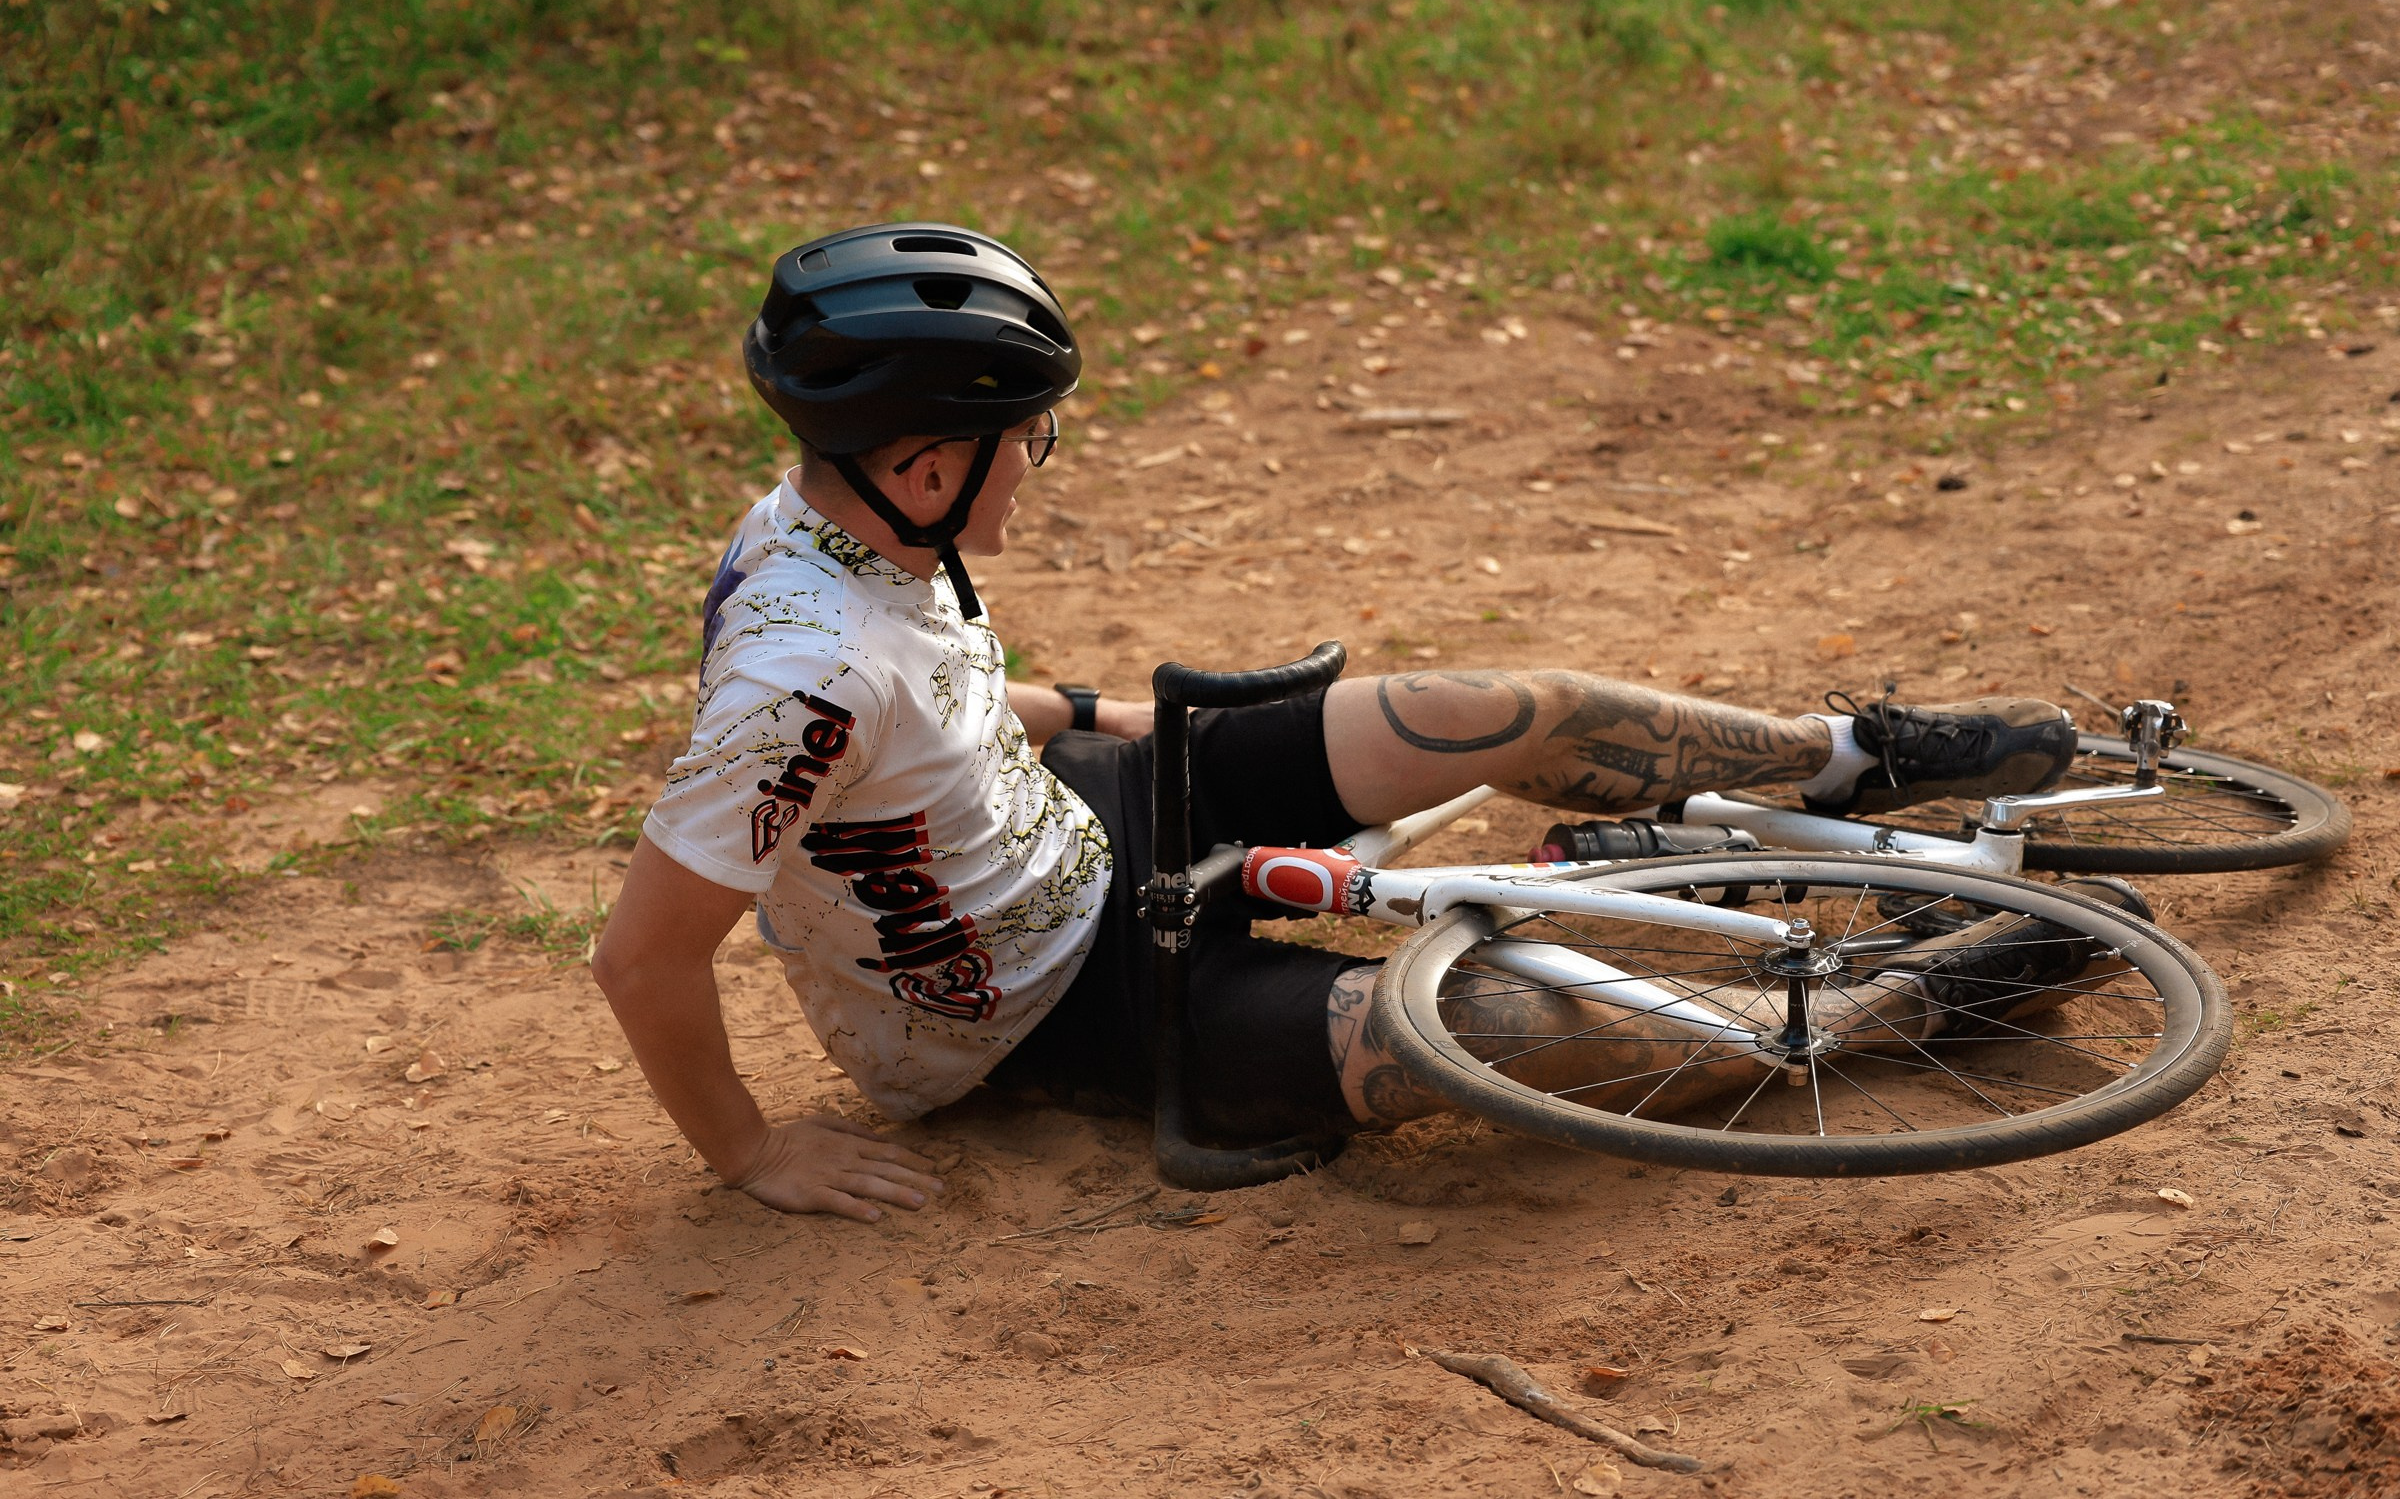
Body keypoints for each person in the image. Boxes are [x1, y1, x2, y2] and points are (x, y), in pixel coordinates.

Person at [588, 223, 2087, 1222]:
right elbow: (644, 954)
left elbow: (937, 714)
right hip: (1030, 1004)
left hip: (1086, 813)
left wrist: (1118, 715)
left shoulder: (840, 522)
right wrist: (750, 1149)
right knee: (1473, 1038)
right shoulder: (804, 677)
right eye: (1029, 437)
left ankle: (1848, 761)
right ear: (927, 469)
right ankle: (1892, 1007)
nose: (1039, 460)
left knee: (1488, 711)